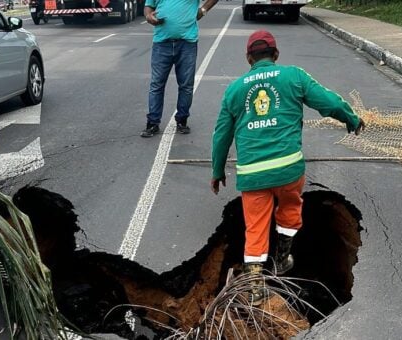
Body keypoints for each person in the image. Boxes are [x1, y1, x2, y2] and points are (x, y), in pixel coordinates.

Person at [210, 30, 365, 305]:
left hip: (252, 174)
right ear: (276, 55)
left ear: (249, 58)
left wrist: (217, 170)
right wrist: (350, 118)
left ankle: (256, 287)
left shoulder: (234, 90)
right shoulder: (294, 76)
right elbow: (328, 102)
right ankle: (281, 259)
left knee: (255, 227)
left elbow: (222, 134)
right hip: (289, 170)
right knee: (290, 213)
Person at [141, 0, 219, 138]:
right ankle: (153, 122)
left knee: (186, 85)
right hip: (161, 42)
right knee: (157, 84)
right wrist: (148, 16)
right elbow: (149, 6)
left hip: (187, 43)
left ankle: (182, 120)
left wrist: (203, 10)